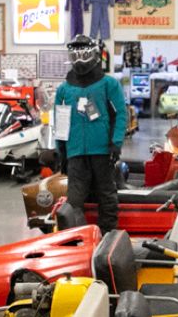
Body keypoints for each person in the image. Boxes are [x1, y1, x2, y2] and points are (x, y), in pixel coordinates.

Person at [53, 35, 127, 235]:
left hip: (102, 150)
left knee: (106, 195)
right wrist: (60, 150)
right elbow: (60, 122)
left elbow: (121, 113)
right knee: (75, 199)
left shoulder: (108, 84)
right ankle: (79, 238)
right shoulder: (64, 89)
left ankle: (108, 235)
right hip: (76, 152)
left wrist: (116, 142)